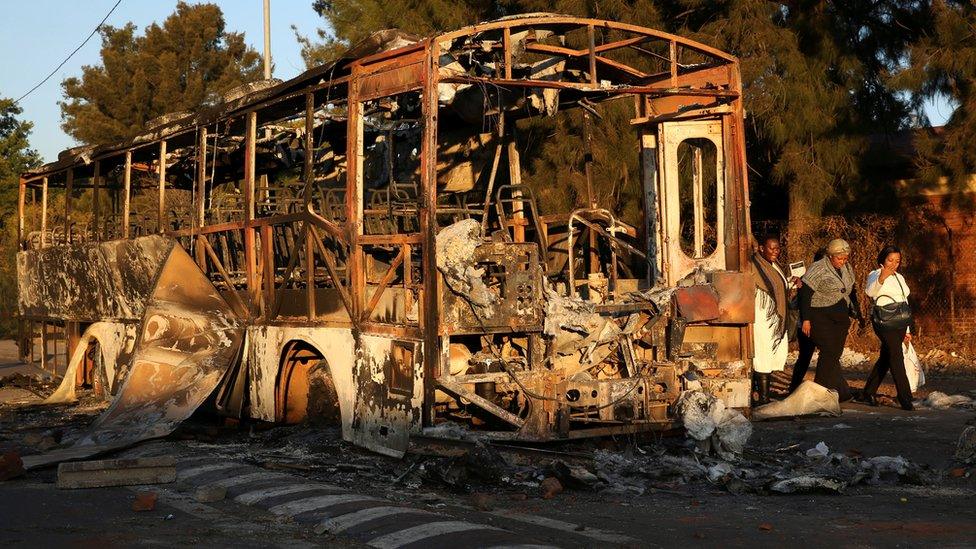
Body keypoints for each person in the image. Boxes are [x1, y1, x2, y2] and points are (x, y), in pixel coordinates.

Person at [799, 239, 864, 402]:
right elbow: (805, 294)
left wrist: (857, 310)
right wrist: (805, 318)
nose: (843, 261)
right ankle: (819, 391)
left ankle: (841, 392)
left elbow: (851, 290)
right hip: (819, 316)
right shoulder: (818, 268)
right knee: (828, 351)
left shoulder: (846, 268)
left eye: (845, 258)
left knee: (834, 354)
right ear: (830, 256)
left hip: (840, 317)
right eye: (839, 258)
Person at [858, 245, 915, 410]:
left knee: (886, 357)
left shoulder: (900, 277)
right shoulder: (875, 274)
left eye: (897, 261)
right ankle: (905, 397)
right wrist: (882, 278)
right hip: (883, 322)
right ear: (883, 259)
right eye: (890, 260)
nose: (894, 264)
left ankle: (868, 391)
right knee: (896, 355)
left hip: (900, 322)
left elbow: (905, 302)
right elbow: (870, 292)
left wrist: (908, 330)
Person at [750, 235, 791, 405]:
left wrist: (791, 283)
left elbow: (779, 287)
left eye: (777, 248)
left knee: (769, 355)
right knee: (762, 356)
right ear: (761, 248)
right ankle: (763, 398)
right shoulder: (753, 265)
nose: (775, 251)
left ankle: (762, 395)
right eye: (771, 248)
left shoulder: (775, 265)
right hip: (762, 317)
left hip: (773, 318)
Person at [788, 249, 825, 393]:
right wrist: (805, 321)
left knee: (828, 356)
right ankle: (794, 387)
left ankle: (822, 385)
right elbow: (797, 303)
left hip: (822, 323)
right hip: (806, 324)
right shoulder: (807, 278)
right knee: (805, 357)